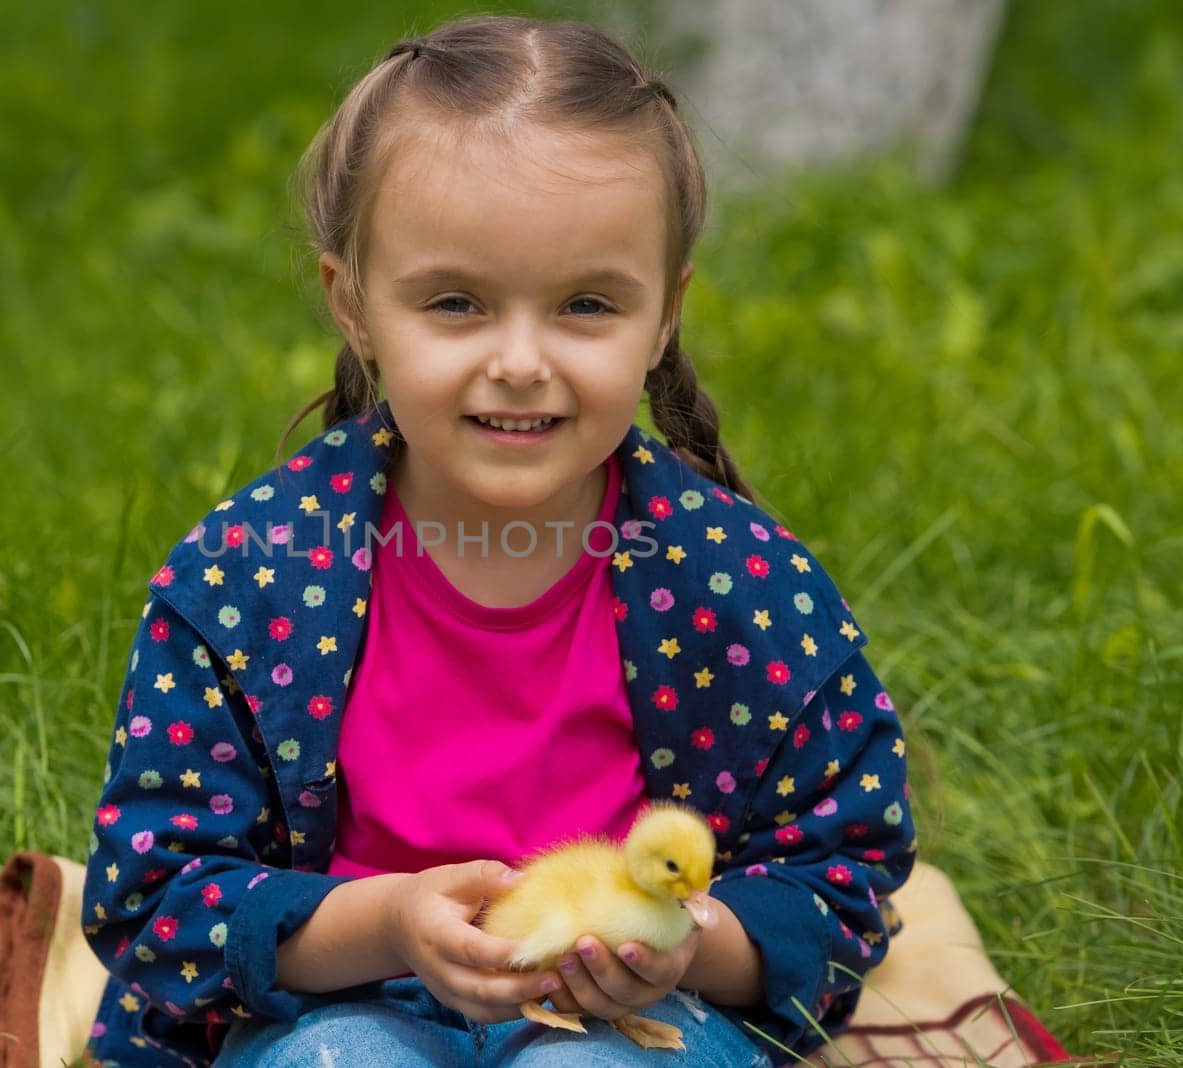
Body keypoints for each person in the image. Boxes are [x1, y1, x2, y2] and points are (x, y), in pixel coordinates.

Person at [78, 13, 915, 1067]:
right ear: (354, 306)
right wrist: (385, 925)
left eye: (586, 305)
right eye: (457, 303)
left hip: (638, 1021)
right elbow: (154, 890)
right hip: (336, 1010)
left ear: (664, 316)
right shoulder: (251, 581)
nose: (520, 361)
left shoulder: (740, 588)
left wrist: (685, 946)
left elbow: (841, 877)